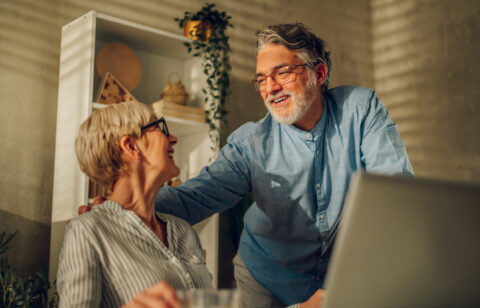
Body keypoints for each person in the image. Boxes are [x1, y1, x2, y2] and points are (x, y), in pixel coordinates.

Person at [82, 23, 413, 307]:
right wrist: (120, 210)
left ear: (319, 73)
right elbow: (195, 198)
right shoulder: (250, 142)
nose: (270, 88)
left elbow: (395, 194)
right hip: (265, 280)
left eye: (281, 72)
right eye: (261, 80)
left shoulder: (361, 109)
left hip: (338, 281)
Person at [57, 102, 212, 308]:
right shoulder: (87, 231)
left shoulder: (183, 230)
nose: (173, 138)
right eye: (160, 127)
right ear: (131, 146)